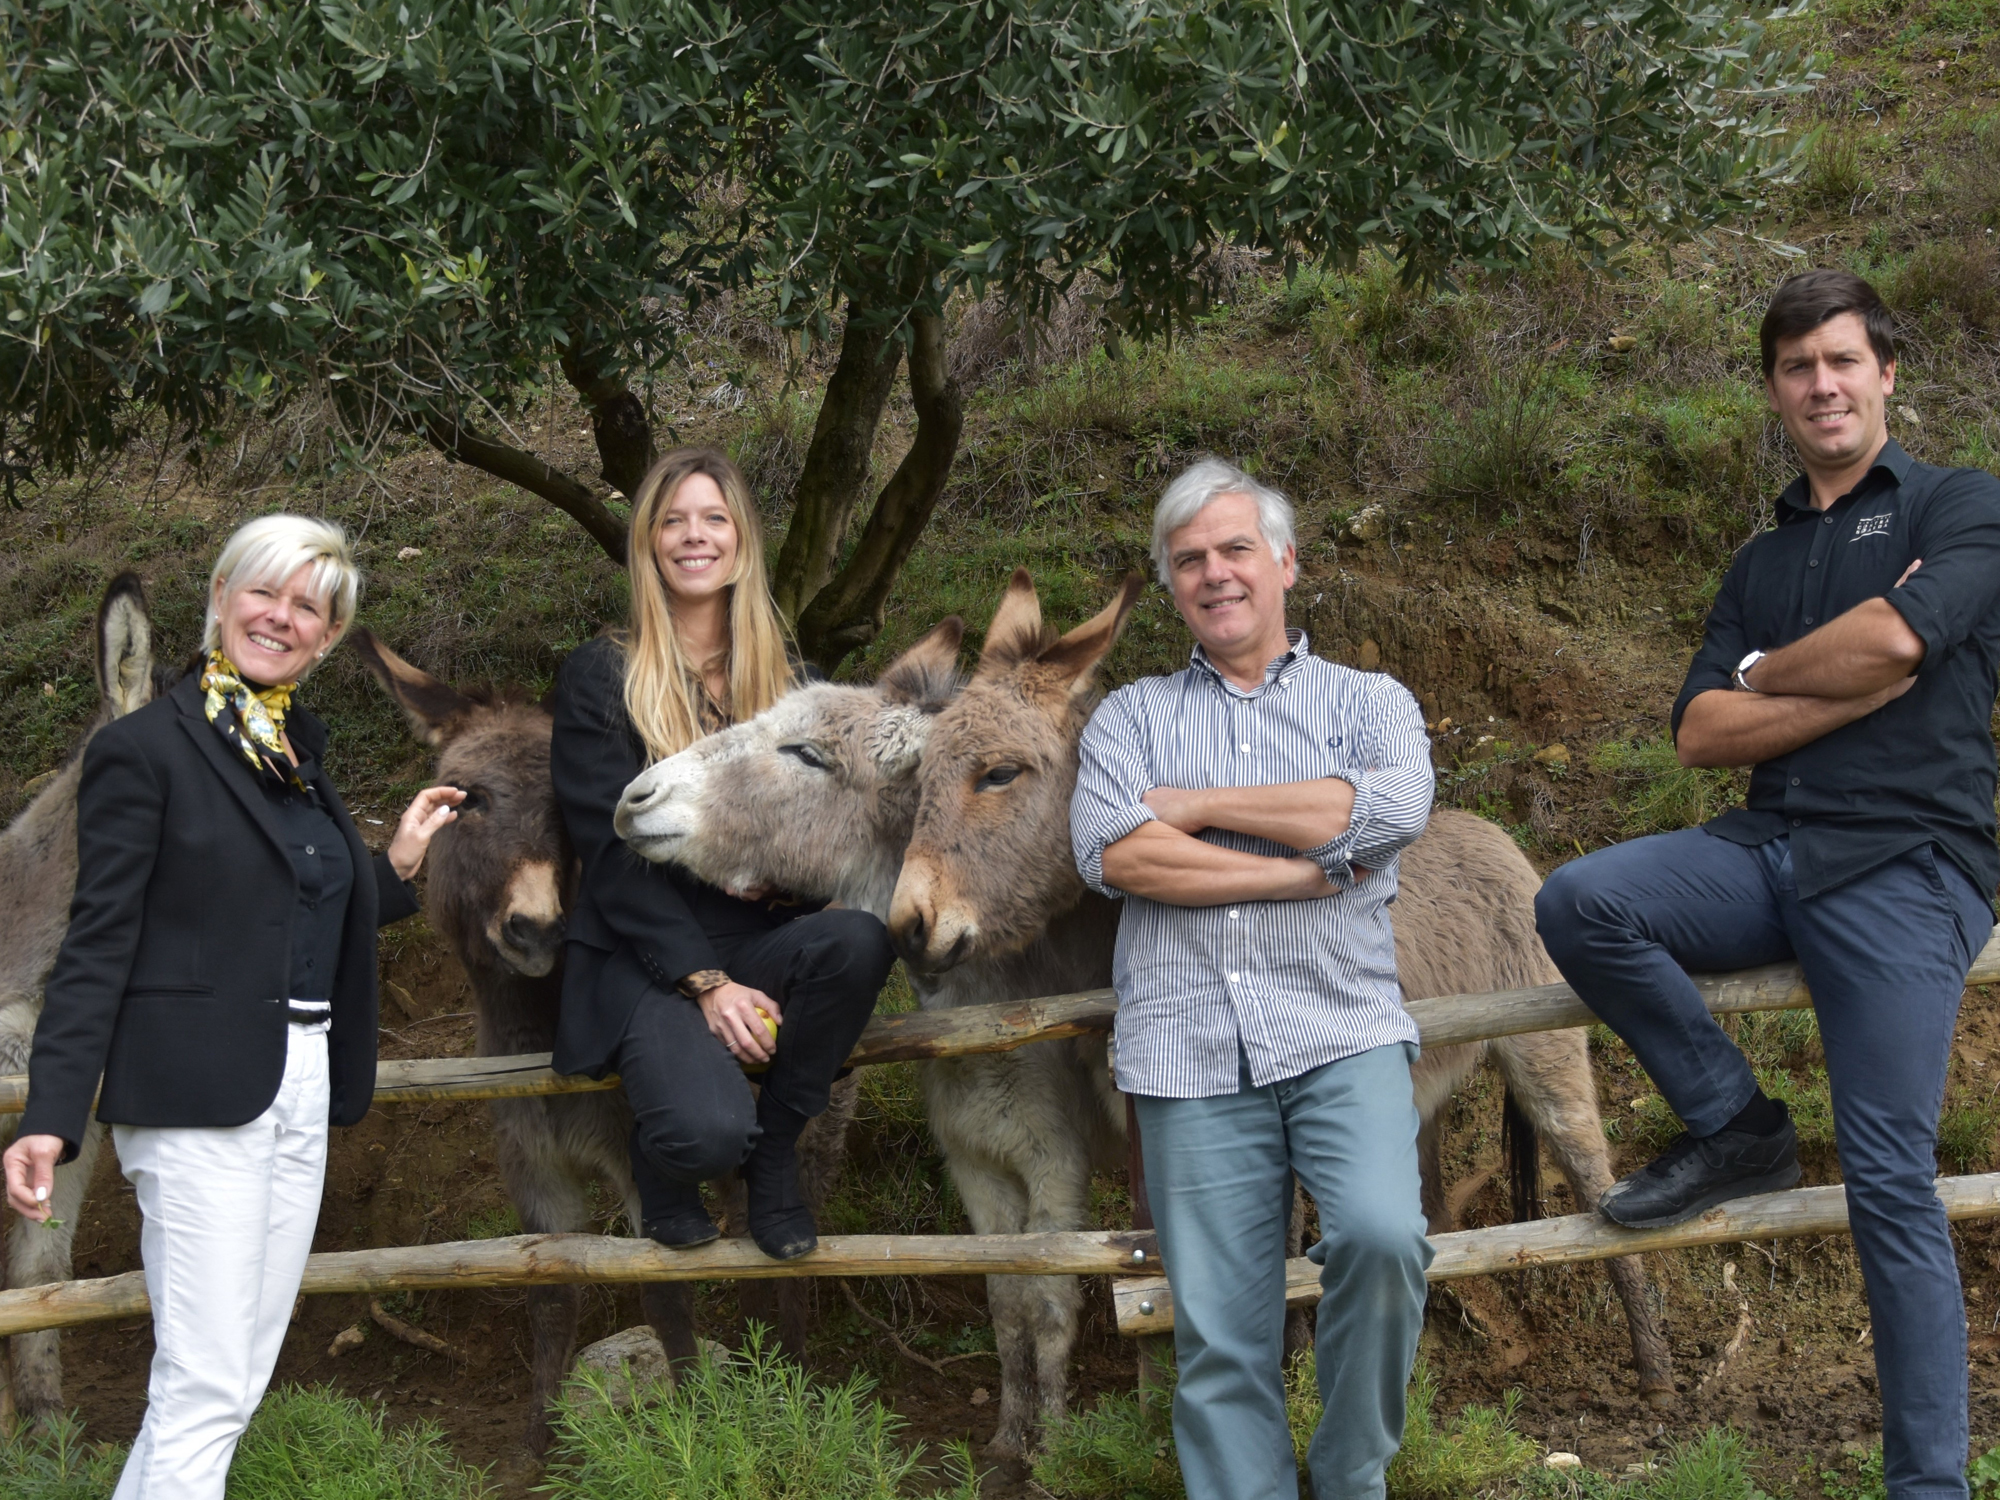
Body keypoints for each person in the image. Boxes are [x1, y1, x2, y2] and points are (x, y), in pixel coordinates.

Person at [1535, 269, 2000, 1499]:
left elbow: (1900, 645)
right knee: (1580, 900)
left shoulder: (1961, 508)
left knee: (1889, 1175)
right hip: (1762, 852)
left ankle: (1928, 1487)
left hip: (1903, 862)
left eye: (1841, 361)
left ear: (1885, 372)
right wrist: (1824, 671)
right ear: (1773, 393)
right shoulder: (1762, 555)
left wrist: (1772, 680)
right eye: (1796, 368)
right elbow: (1697, 733)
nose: (1821, 385)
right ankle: (1737, 1128)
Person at [1, 515, 462, 1499]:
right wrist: (49, 1119)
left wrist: (399, 864)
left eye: (309, 607)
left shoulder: (294, 752)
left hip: (300, 1085)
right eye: (265, 592)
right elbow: (96, 944)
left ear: (328, 637)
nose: (282, 617)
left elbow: (289, 919)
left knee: (231, 1381)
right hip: (194, 1093)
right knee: (204, 1385)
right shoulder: (143, 748)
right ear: (219, 597)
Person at [1069, 458, 1435, 1500]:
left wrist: (1194, 803)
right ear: (1173, 584)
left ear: (1284, 562)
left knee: (1379, 1235)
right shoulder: (1127, 719)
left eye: (1234, 550)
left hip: (1338, 1031)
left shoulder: (1368, 701)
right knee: (1222, 1335)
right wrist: (1296, 870)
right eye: (1188, 560)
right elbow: (1120, 856)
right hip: (1184, 1051)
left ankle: (1348, 1476)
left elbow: (1381, 814)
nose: (1213, 574)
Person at [549, 447, 894, 1260]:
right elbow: (606, 851)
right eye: (672, 521)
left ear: (742, 539)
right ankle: (665, 1158)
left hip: (766, 933)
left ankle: (776, 1151)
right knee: (704, 1135)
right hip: (647, 955)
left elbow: (832, 832)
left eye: (714, 519)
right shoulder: (603, 675)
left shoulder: (798, 684)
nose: (693, 536)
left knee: (858, 940)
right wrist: (707, 984)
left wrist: (809, 887)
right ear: (647, 543)